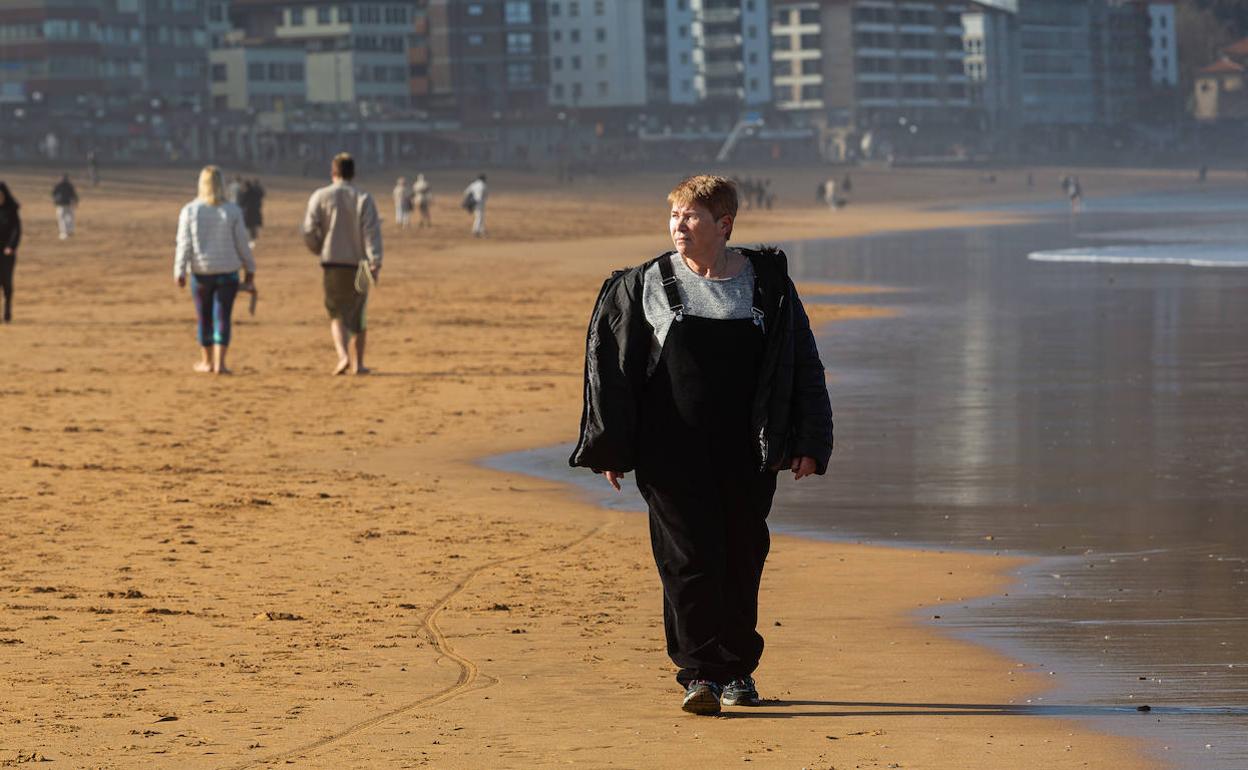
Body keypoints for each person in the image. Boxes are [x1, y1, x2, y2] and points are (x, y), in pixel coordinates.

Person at [569, 175, 833, 716]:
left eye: (691, 217)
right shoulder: (643, 283)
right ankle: (698, 675)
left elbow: (801, 361)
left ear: (724, 224)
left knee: (741, 557)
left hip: (749, 452)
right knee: (687, 560)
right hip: (669, 453)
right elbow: (613, 371)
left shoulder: (768, 285)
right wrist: (610, 446)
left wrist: (808, 440)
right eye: (675, 216)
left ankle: (736, 671)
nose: (679, 226)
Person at [302, 152, 383, 376]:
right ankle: (359, 364)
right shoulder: (364, 198)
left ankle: (343, 355)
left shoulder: (320, 196)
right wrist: (375, 261)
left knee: (336, 312)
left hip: (333, 262)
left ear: (333, 172)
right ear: (353, 173)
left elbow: (308, 229)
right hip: (362, 264)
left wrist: (318, 247)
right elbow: (371, 233)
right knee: (359, 313)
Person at [173, 166, 256, 374]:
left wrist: (179, 271)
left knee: (204, 317)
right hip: (228, 272)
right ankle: (221, 363)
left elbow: (184, 244)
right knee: (223, 316)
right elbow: (242, 244)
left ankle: (207, 361)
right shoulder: (232, 211)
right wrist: (250, 268)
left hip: (201, 273)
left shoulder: (190, 211)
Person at [0, 181, 21, 324]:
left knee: (6, 283)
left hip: (7, 254)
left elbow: (16, 231)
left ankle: (7, 310)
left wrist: (11, 247)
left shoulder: (11, 211)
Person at [51, 173, 78, 240]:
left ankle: (64, 232)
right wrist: (76, 202)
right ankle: (69, 231)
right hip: (67, 205)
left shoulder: (58, 185)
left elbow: (53, 194)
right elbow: (74, 195)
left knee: (62, 219)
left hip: (62, 205)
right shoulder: (69, 185)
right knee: (69, 218)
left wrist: (55, 200)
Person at [240, 178, 264, 246]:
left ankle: (250, 239)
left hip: (248, 212)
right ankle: (254, 237)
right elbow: (261, 196)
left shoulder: (246, 193)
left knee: (248, 226)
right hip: (255, 211)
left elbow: (242, 202)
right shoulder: (256, 192)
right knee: (254, 225)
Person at [462, 173, 487, 237]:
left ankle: (480, 230)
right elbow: (483, 195)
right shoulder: (483, 185)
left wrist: (469, 200)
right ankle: (476, 231)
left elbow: (466, 192)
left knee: (479, 217)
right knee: (479, 217)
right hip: (479, 203)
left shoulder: (474, 184)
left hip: (473, 202)